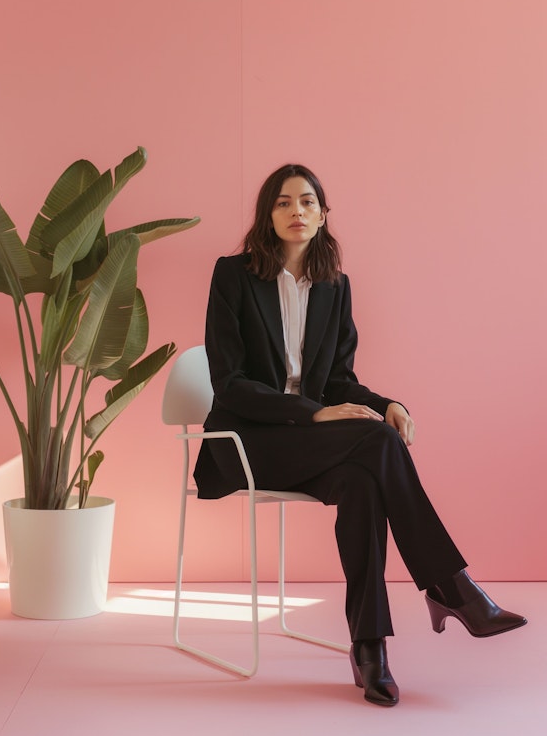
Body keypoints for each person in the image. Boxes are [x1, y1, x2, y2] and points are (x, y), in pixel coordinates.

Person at [193, 163, 526, 707]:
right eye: (282, 203)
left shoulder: (334, 287)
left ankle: (370, 649)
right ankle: (449, 586)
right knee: (375, 445)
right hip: (248, 444)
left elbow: (340, 380)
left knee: (363, 481)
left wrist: (389, 404)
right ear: (266, 215)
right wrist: (312, 414)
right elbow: (229, 385)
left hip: (314, 449)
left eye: (306, 202)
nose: (296, 212)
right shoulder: (233, 275)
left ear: (323, 214)